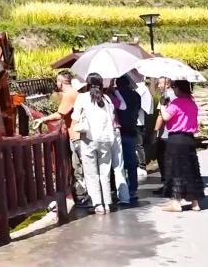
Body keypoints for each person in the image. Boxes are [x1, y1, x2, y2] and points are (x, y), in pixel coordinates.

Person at [32, 71, 90, 207]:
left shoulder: (69, 95)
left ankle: (84, 198)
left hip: (76, 135)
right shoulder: (76, 93)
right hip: (81, 135)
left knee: (79, 168)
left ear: (60, 81)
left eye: (57, 81)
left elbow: (59, 114)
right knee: (84, 166)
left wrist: (42, 119)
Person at [72, 74, 117, 215]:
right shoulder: (106, 98)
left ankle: (97, 204)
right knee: (105, 172)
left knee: (91, 173)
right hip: (106, 138)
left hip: (89, 139)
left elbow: (75, 117)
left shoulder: (82, 97)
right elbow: (112, 117)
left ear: (87, 84)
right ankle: (107, 202)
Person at [157, 79, 204, 212]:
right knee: (190, 170)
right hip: (189, 139)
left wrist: (162, 105)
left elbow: (166, 117)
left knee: (175, 169)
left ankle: (176, 202)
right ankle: (195, 202)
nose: (173, 90)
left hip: (176, 139)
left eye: (174, 87)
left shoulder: (177, 103)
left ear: (178, 88)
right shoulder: (192, 103)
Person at [115, 75, 142, 203]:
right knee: (131, 161)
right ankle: (133, 188)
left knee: (118, 162)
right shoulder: (136, 95)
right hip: (131, 129)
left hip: (119, 131)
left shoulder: (115, 95)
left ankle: (121, 189)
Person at [134, 72, 154, 170]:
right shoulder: (143, 88)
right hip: (140, 121)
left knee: (138, 144)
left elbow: (137, 104)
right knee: (139, 144)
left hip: (137, 121)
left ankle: (141, 164)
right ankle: (141, 163)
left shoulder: (139, 88)